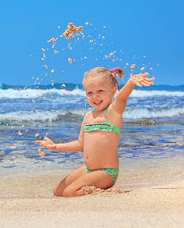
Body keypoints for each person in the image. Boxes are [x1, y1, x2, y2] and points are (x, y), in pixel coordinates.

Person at [35, 67, 155, 197]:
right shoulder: (88, 116)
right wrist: (56, 146)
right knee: (58, 192)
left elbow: (122, 97)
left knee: (70, 192)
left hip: (106, 172)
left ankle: (109, 192)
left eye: (100, 91)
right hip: (89, 170)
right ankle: (101, 191)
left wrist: (131, 83)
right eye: (89, 93)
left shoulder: (113, 112)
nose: (95, 96)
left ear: (113, 91)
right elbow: (80, 143)